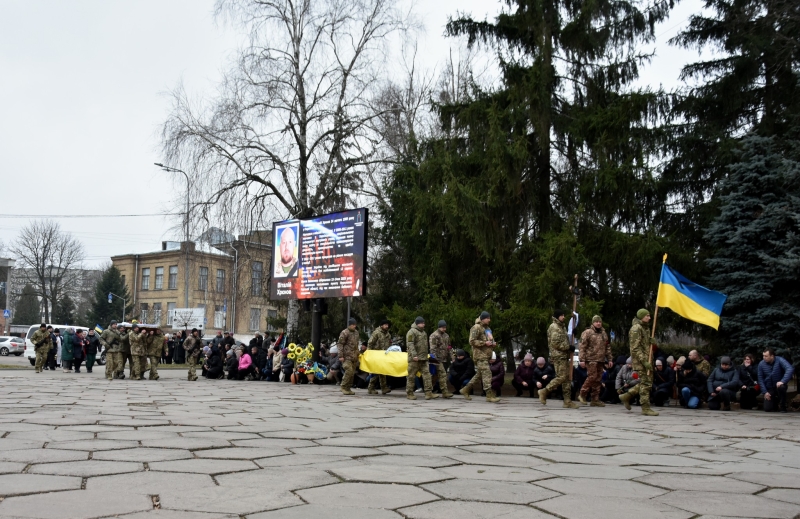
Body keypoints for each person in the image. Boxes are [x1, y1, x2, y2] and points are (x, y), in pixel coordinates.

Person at [619, 308, 659, 416]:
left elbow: (644, 345)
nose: (649, 318)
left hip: (647, 359)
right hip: (642, 361)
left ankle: (627, 396)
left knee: (646, 382)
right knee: (646, 384)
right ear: (641, 317)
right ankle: (645, 408)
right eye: (647, 316)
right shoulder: (636, 329)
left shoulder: (645, 328)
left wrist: (651, 343)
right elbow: (635, 348)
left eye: (650, 316)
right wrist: (644, 361)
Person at [539, 310, 577, 408]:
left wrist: (572, 334)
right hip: (558, 356)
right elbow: (555, 343)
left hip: (564, 355)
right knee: (562, 377)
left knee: (567, 379)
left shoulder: (562, 327)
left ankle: (567, 401)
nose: (564, 317)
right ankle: (545, 391)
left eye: (564, 315)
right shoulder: (554, 327)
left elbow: (564, 339)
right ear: (557, 317)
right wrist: (568, 347)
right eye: (561, 315)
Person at [461, 312, 499, 403]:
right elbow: (472, 341)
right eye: (487, 318)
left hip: (486, 355)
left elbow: (490, 339)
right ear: (482, 319)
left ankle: (466, 389)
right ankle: (489, 395)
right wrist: (484, 343)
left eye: (489, 318)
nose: (489, 320)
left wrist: (493, 343)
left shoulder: (488, 329)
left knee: (479, 374)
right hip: (479, 355)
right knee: (487, 373)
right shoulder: (476, 327)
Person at [578, 315, 612, 406]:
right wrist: (582, 359)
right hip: (591, 358)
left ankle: (595, 399)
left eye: (600, 322)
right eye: (596, 322)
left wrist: (609, 359)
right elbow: (582, 346)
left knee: (598, 379)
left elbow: (607, 347)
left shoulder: (604, 333)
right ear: (593, 323)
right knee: (592, 377)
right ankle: (582, 394)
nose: (598, 323)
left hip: (600, 359)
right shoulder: (587, 332)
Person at [405, 317, 438, 400]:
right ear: (417, 323)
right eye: (422, 323)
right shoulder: (411, 332)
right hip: (414, 359)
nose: (424, 324)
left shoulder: (423, 332)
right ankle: (409, 393)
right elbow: (410, 344)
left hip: (423, 358)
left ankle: (428, 393)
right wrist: (414, 355)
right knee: (411, 376)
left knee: (427, 375)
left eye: (424, 323)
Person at [758, 348, 794, 413]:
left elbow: (789, 368)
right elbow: (760, 379)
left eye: (766, 356)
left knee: (782, 387)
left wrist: (783, 381)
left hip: (778, 385)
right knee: (767, 408)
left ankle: (783, 406)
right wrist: (765, 392)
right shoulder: (761, 364)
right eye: (763, 356)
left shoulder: (780, 360)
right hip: (769, 388)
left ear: (772, 356)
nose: (764, 358)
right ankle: (775, 402)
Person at [366, 320, 392, 395]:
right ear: (381, 325)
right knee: (375, 372)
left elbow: (389, 344)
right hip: (376, 355)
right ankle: (371, 388)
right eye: (385, 325)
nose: (386, 326)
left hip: (384, 355)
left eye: (387, 325)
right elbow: (370, 343)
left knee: (383, 371)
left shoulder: (388, 334)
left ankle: (384, 388)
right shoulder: (376, 333)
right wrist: (369, 353)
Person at [428, 320, 453, 397]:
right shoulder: (434, 336)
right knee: (443, 374)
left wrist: (452, 356)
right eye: (443, 327)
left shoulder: (446, 336)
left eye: (445, 327)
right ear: (439, 327)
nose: (444, 329)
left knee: (435, 376)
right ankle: (444, 392)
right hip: (437, 359)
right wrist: (435, 359)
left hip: (444, 358)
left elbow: (449, 347)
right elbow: (433, 348)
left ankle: (428, 390)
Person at [337, 318, 360, 395]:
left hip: (354, 356)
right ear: (349, 325)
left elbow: (356, 345)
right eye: (353, 325)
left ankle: (348, 388)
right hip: (346, 356)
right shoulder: (344, 332)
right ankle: (343, 386)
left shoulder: (356, 333)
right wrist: (340, 356)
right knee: (349, 370)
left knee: (352, 373)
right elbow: (340, 344)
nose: (354, 326)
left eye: (355, 325)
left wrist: (358, 354)